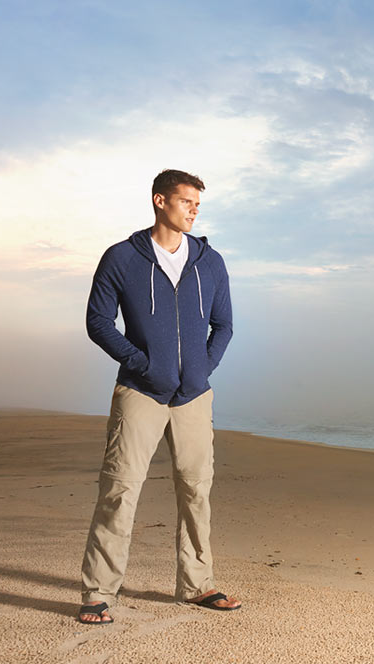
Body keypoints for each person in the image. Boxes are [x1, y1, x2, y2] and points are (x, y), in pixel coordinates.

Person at [79, 169, 241, 624]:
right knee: (120, 489)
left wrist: (202, 369)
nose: (194, 211)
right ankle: (98, 592)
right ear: (159, 201)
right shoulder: (122, 258)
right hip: (140, 391)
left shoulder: (210, 262)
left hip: (194, 396)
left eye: (198, 204)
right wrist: (142, 364)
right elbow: (98, 321)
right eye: (186, 201)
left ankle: (198, 584)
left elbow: (224, 325)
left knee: (196, 491)